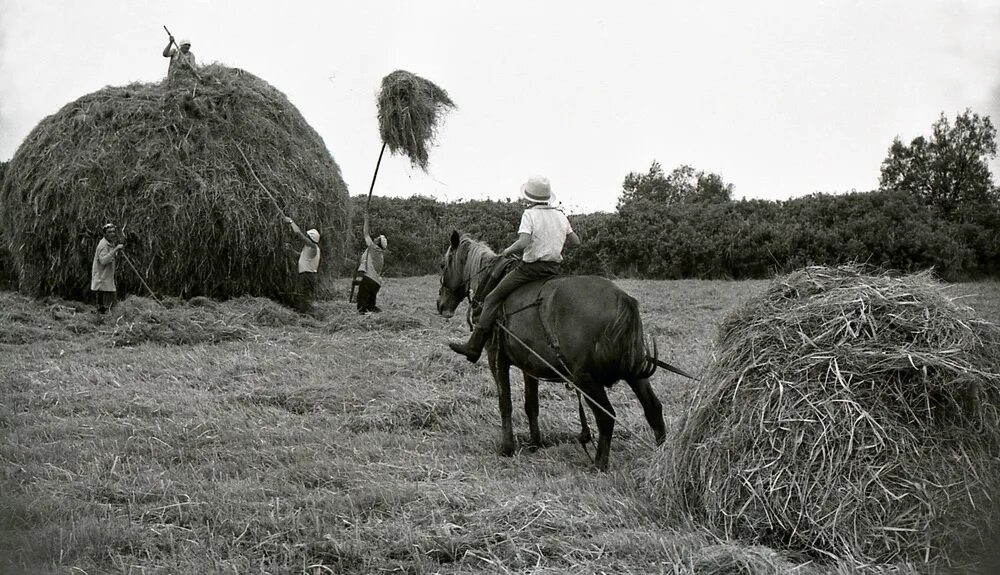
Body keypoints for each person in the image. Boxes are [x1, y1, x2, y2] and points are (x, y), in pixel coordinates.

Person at [449, 176, 581, 363]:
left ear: (529, 197)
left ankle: (473, 346)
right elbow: (576, 241)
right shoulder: (560, 215)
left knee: (492, 297)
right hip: (553, 269)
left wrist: (507, 251)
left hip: (530, 269)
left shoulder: (530, 214)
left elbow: (524, 242)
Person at [284, 217, 321, 313]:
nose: (305, 237)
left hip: (307, 275)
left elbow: (298, 233)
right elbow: (300, 257)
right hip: (306, 275)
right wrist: (291, 249)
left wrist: (291, 221)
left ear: (310, 238)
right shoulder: (309, 248)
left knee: (304, 296)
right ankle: (304, 314)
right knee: (302, 295)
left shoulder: (313, 247)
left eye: (307, 236)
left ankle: (306, 315)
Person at [356, 213, 387, 314]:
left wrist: (366, 219)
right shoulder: (380, 253)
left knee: (362, 303)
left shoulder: (374, 249)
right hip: (376, 283)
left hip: (369, 280)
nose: (375, 239)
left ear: (378, 243)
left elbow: (365, 234)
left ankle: (361, 318)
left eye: (377, 239)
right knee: (370, 306)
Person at [91, 223, 124, 314]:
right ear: (105, 234)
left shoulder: (110, 243)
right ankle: (101, 313)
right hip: (102, 274)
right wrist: (116, 249)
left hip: (106, 273)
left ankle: (104, 311)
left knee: (105, 290)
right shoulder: (103, 245)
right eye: (109, 232)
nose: (112, 234)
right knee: (103, 291)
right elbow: (103, 261)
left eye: (113, 232)